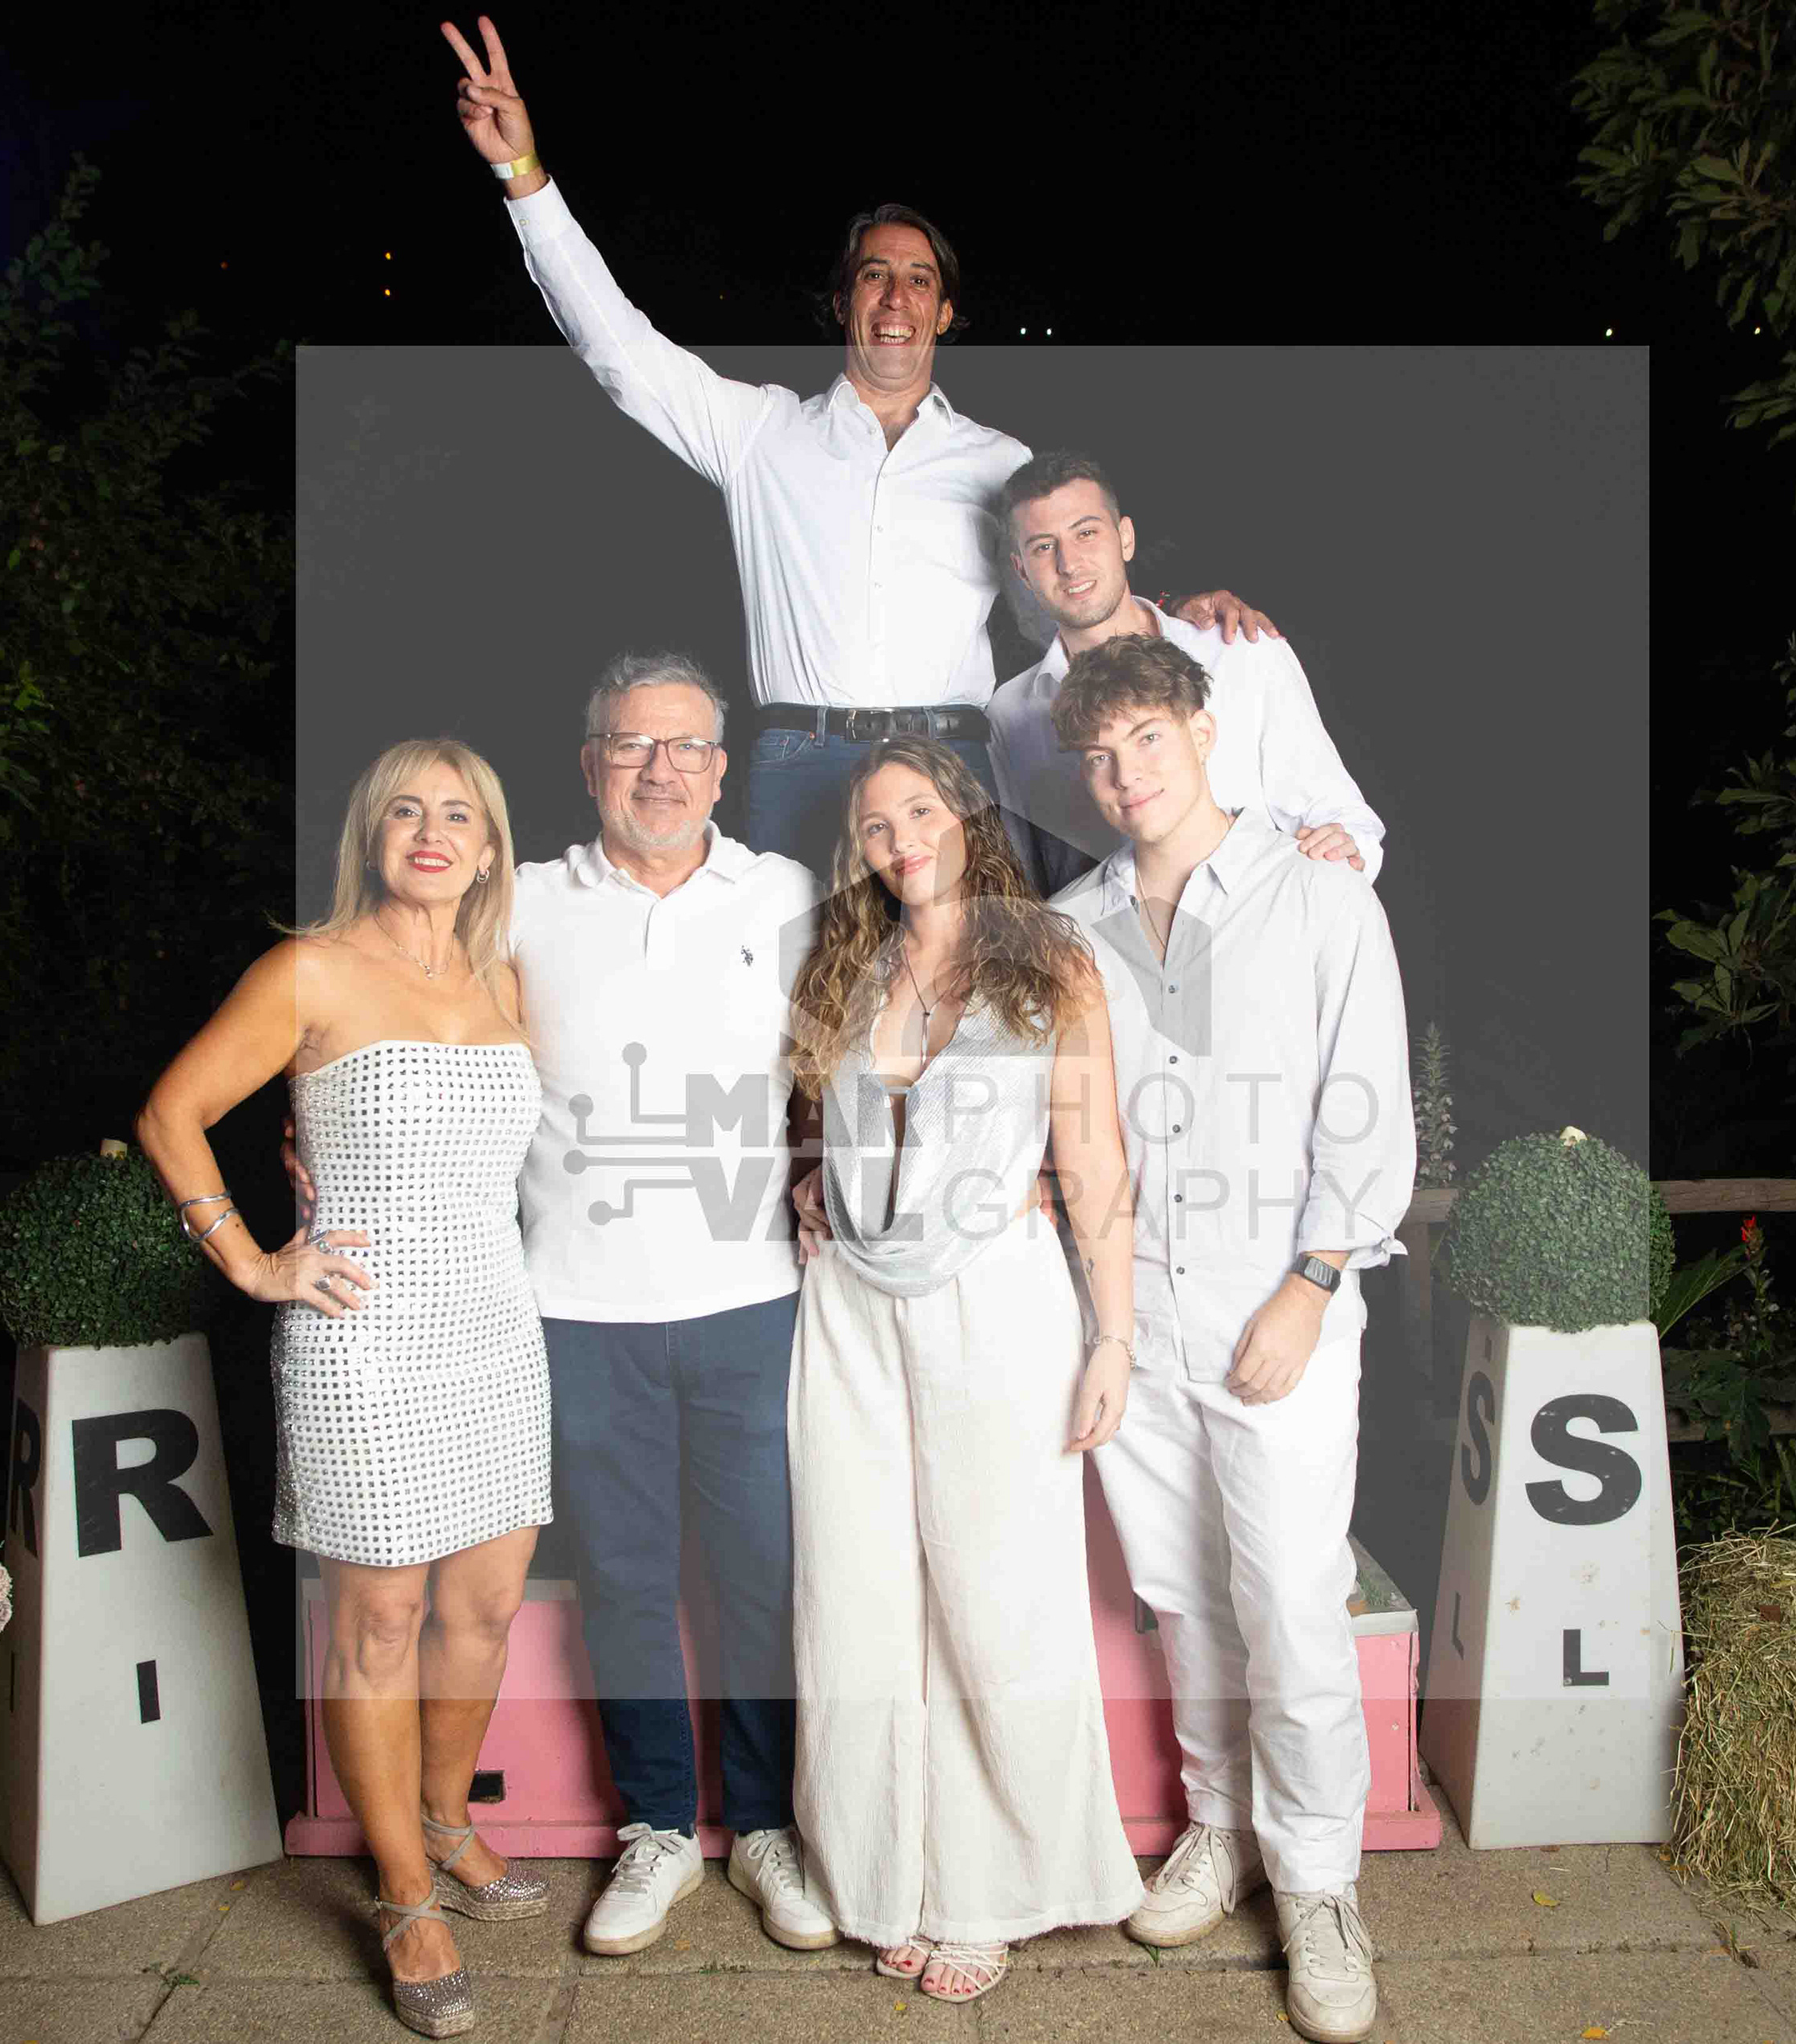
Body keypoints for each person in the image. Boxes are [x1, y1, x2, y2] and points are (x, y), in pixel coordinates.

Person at [287, 657, 836, 1959]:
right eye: (632, 745)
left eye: (687, 746)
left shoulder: (789, 894)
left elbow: (886, 1013)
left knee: (761, 1578)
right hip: (572, 1311)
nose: (661, 769)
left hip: (755, 1298)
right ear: (590, 765)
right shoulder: (520, 901)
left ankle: (764, 1825)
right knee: (628, 1584)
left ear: (724, 767)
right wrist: (306, 1123)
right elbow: (379, 1005)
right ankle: (658, 1828)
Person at [436, 14, 1273, 865]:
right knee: (803, 959)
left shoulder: (1000, 462)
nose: (896, 298)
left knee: (973, 957)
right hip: (800, 764)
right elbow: (620, 351)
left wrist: (1180, 616)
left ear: (944, 314)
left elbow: (1068, 595)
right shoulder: (759, 432)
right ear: (844, 304)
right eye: (875, 276)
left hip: (954, 762)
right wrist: (522, 175)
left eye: (919, 281)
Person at [140, 739, 550, 2040]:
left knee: (484, 1609)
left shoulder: (504, 975)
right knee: (380, 1621)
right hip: (362, 1337)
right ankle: (405, 1896)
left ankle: (448, 1821)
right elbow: (170, 1113)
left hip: (496, 1327)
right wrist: (252, 1259)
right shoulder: (307, 970)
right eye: (406, 811)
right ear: (371, 834)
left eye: (459, 815)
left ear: (488, 848)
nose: (432, 832)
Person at [1045, 636, 1416, 2044]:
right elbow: (1077, 1129)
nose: (1125, 773)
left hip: (1278, 1302)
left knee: (1290, 1600)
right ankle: (1220, 1829)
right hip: (1136, 1310)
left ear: (1203, 731)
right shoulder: (1075, 925)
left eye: (1147, 738)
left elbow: (1366, 1105)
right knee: (1185, 1596)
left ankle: (1320, 1886)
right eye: (1099, 755)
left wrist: (1311, 1285)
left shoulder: (1317, 893)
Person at [782, 736, 1144, 2004]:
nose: (901, 842)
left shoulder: (1051, 959)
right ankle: (883, 1872)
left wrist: (1113, 1336)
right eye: (877, 827)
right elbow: (828, 1117)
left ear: (969, 818)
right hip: (848, 1310)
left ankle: (990, 1891)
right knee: (858, 1592)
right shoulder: (847, 962)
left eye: (922, 812)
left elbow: (1093, 1155)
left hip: (997, 1296)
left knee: (998, 1595)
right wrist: (815, 1185)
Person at [988, 450, 1390, 896]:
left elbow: (1343, 821)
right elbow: (1025, 879)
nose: (1069, 563)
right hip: (1103, 937)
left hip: (1262, 919)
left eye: (1086, 533)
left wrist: (1342, 858)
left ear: (1125, 538)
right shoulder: (1008, 714)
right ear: (1021, 570)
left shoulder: (1240, 651)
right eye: (1044, 547)